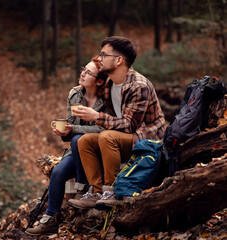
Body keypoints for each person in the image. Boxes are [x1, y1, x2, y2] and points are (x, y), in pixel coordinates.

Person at [68, 36, 165, 209]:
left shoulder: (138, 85)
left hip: (147, 141)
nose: (99, 58)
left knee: (106, 137)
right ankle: (96, 192)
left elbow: (129, 126)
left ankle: (111, 191)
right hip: (124, 138)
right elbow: (90, 85)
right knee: (84, 141)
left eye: (104, 55)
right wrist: (79, 89)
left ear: (119, 60)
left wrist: (96, 116)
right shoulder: (109, 83)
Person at [25, 56, 109, 236]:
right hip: (76, 150)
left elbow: (104, 127)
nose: (83, 74)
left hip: (100, 151)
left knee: (78, 140)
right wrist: (65, 131)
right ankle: (50, 218)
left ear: (100, 81)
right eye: (83, 70)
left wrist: (74, 131)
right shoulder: (75, 95)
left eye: (88, 73)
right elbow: (70, 125)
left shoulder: (108, 100)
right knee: (57, 172)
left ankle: (82, 187)